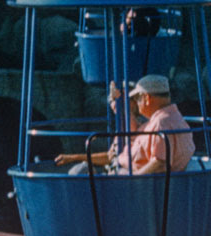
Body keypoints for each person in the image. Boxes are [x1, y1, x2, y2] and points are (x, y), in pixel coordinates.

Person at [56, 75, 195, 176]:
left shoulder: (160, 124)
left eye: (136, 99)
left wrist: (131, 180)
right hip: (126, 174)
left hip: (130, 185)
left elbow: (159, 163)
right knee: (81, 170)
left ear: (146, 98)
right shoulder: (174, 120)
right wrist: (73, 157)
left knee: (79, 173)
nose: (136, 104)